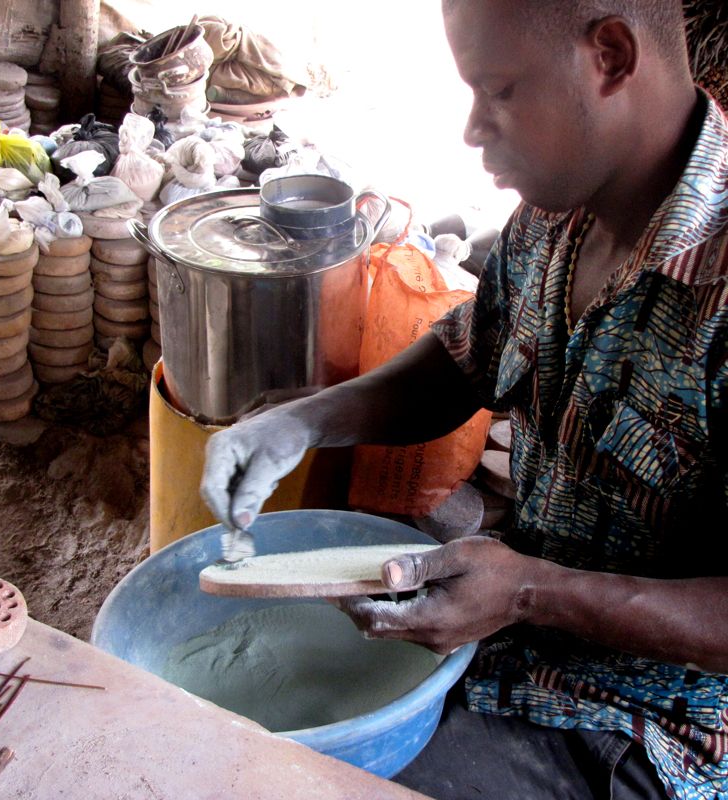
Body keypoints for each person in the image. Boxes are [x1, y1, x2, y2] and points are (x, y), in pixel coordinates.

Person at [200, 1, 728, 797]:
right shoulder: (556, 217)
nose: (473, 129)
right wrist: (301, 422)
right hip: (504, 634)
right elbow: (462, 362)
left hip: (649, 725)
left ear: (611, 56)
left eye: (500, 90)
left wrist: (527, 590)